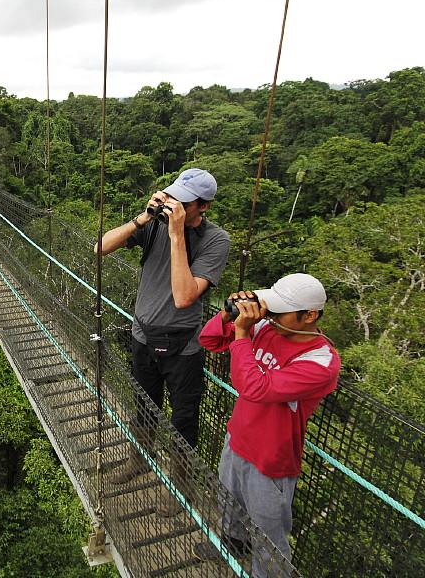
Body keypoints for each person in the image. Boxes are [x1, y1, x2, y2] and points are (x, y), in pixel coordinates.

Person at [97, 168, 230, 515]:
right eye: (173, 197)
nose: (175, 206)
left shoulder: (216, 241)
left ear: (204, 206)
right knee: (143, 406)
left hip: (182, 347)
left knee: (183, 421)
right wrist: (142, 220)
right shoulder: (154, 225)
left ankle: (181, 488)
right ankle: (138, 460)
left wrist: (175, 237)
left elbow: (185, 296)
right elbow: (101, 247)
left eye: (184, 203)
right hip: (142, 335)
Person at [196, 273, 340, 576]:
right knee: (228, 501)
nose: (270, 316)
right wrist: (228, 315)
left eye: (279, 311)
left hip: (271, 460)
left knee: (268, 534)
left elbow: (255, 387)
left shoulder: (320, 362)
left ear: (309, 315)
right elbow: (208, 340)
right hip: (237, 438)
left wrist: (242, 334)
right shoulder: (266, 327)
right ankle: (233, 543)